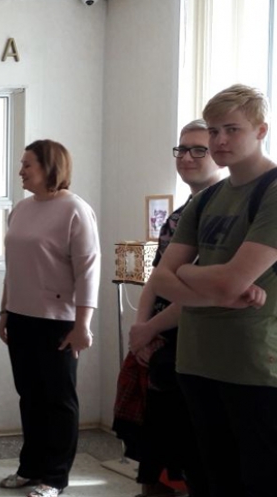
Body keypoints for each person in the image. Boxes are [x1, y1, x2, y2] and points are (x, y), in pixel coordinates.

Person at [150, 84, 277, 497]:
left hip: (253, 366)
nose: (220, 140)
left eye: (232, 130)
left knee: (257, 483)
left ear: (261, 130)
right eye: (214, 130)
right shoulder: (207, 199)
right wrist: (216, 288)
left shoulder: (272, 191)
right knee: (209, 482)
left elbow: (230, 281)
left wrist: (190, 272)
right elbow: (161, 278)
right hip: (197, 360)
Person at [0, 139, 100, 497]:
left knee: (58, 400)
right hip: (20, 317)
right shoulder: (21, 209)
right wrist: (4, 310)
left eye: (28, 165)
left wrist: (83, 325)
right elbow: (13, 267)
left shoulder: (75, 210)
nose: (21, 171)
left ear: (50, 167)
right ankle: (30, 468)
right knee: (30, 397)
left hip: (59, 322)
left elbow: (88, 271)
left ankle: (54, 477)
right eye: (22, 164)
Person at [124, 121, 220, 496]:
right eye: (182, 149)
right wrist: (141, 329)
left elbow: (200, 291)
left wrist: (151, 329)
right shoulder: (179, 215)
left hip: (195, 341)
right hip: (160, 342)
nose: (187, 157)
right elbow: (157, 278)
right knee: (156, 448)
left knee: (193, 451)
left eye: (198, 149)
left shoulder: (221, 214)